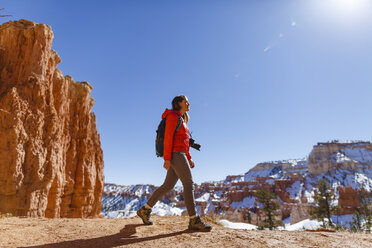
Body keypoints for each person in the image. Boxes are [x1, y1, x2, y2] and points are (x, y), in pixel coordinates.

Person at [137, 95, 212, 231]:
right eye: (186, 101)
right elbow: (168, 138)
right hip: (175, 154)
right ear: (179, 103)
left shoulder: (182, 120)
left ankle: (145, 209)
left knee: (168, 185)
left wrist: (188, 158)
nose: (189, 103)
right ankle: (194, 220)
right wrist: (167, 159)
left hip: (180, 154)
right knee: (189, 184)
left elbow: (185, 142)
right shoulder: (172, 117)